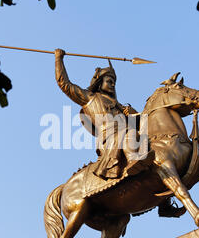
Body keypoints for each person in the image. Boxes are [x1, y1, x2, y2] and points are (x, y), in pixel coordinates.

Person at [55, 48, 147, 179]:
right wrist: (59, 59)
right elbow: (64, 84)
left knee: (142, 137)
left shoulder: (119, 106)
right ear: (100, 82)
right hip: (108, 138)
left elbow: (142, 124)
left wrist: (133, 113)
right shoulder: (89, 98)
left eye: (114, 82)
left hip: (125, 134)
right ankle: (133, 161)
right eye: (109, 81)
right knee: (130, 133)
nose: (112, 84)